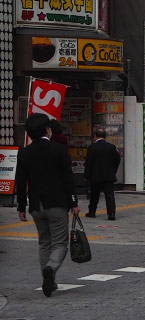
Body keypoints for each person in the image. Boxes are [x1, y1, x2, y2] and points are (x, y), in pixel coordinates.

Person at [14, 113, 79, 296]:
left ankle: (48, 282)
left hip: (36, 204)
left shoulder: (25, 152)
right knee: (60, 243)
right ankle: (50, 269)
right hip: (57, 202)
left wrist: (21, 206)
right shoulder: (58, 149)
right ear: (47, 130)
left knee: (44, 242)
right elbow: (68, 178)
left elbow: (21, 181)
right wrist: (73, 202)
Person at [84, 127, 121, 220]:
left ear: (95, 136)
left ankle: (92, 212)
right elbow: (117, 159)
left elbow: (88, 163)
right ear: (105, 136)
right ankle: (111, 214)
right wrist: (113, 170)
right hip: (109, 175)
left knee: (94, 195)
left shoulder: (92, 148)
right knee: (109, 195)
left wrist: (86, 175)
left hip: (95, 175)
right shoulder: (112, 147)